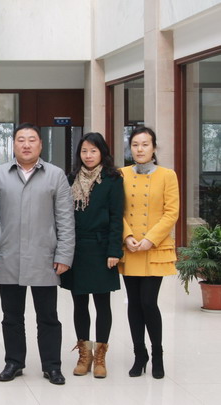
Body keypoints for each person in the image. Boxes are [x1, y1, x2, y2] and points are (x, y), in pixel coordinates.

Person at [0, 122, 75, 386]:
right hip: (7, 256)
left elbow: (65, 219)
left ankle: (52, 366)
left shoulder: (55, 175)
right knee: (11, 316)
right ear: (14, 144)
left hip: (45, 257)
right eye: (21, 140)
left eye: (32, 139)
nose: (26, 145)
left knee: (48, 317)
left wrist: (64, 255)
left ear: (40, 145)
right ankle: (14, 362)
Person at [60, 132, 123, 378]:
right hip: (76, 249)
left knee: (102, 303)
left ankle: (100, 357)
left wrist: (114, 250)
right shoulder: (71, 178)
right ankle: (84, 354)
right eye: (84, 151)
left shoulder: (112, 179)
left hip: (101, 248)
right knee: (79, 303)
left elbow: (117, 217)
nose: (88, 155)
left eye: (93, 151)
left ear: (102, 153)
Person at [118, 126, 179, 379]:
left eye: (145, 144)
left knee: (148, 302)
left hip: (155, 248)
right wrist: (127, 235)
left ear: (154, 148)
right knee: (133, 303)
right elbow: (116, 210)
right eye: (135, 145)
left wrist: (150, 240)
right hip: (131, 248)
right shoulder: (121, 174)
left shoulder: (167, 175)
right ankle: (139, 354)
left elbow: (171, 212)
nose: (140, 149)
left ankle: (157, 354)